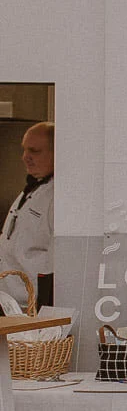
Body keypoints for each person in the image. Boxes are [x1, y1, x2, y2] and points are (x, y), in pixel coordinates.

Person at [1, 121, 54, 307]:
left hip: (30, 305)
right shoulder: (32, 189)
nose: (25, 157)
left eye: (34, 151)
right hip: (9, 300)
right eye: (24, 150)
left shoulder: (59, 197)